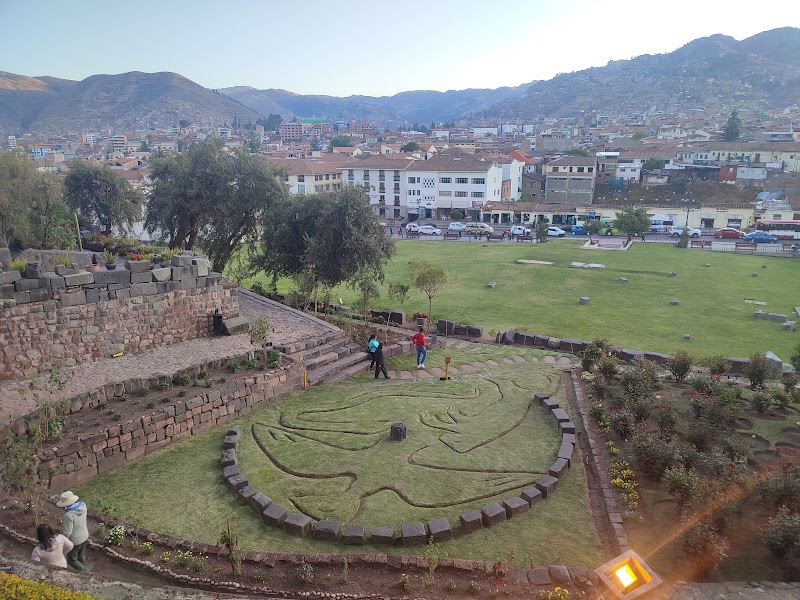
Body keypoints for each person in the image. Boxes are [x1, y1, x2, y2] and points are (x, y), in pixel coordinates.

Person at [56, 491, 89, 571]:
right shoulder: (83, 506)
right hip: (85, 535)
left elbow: (67, 532)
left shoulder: (69, 515)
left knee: (72, 560)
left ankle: (84, 572)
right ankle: (85, 569)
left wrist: (61, 541)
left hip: (75, 540)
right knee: (81, 556)